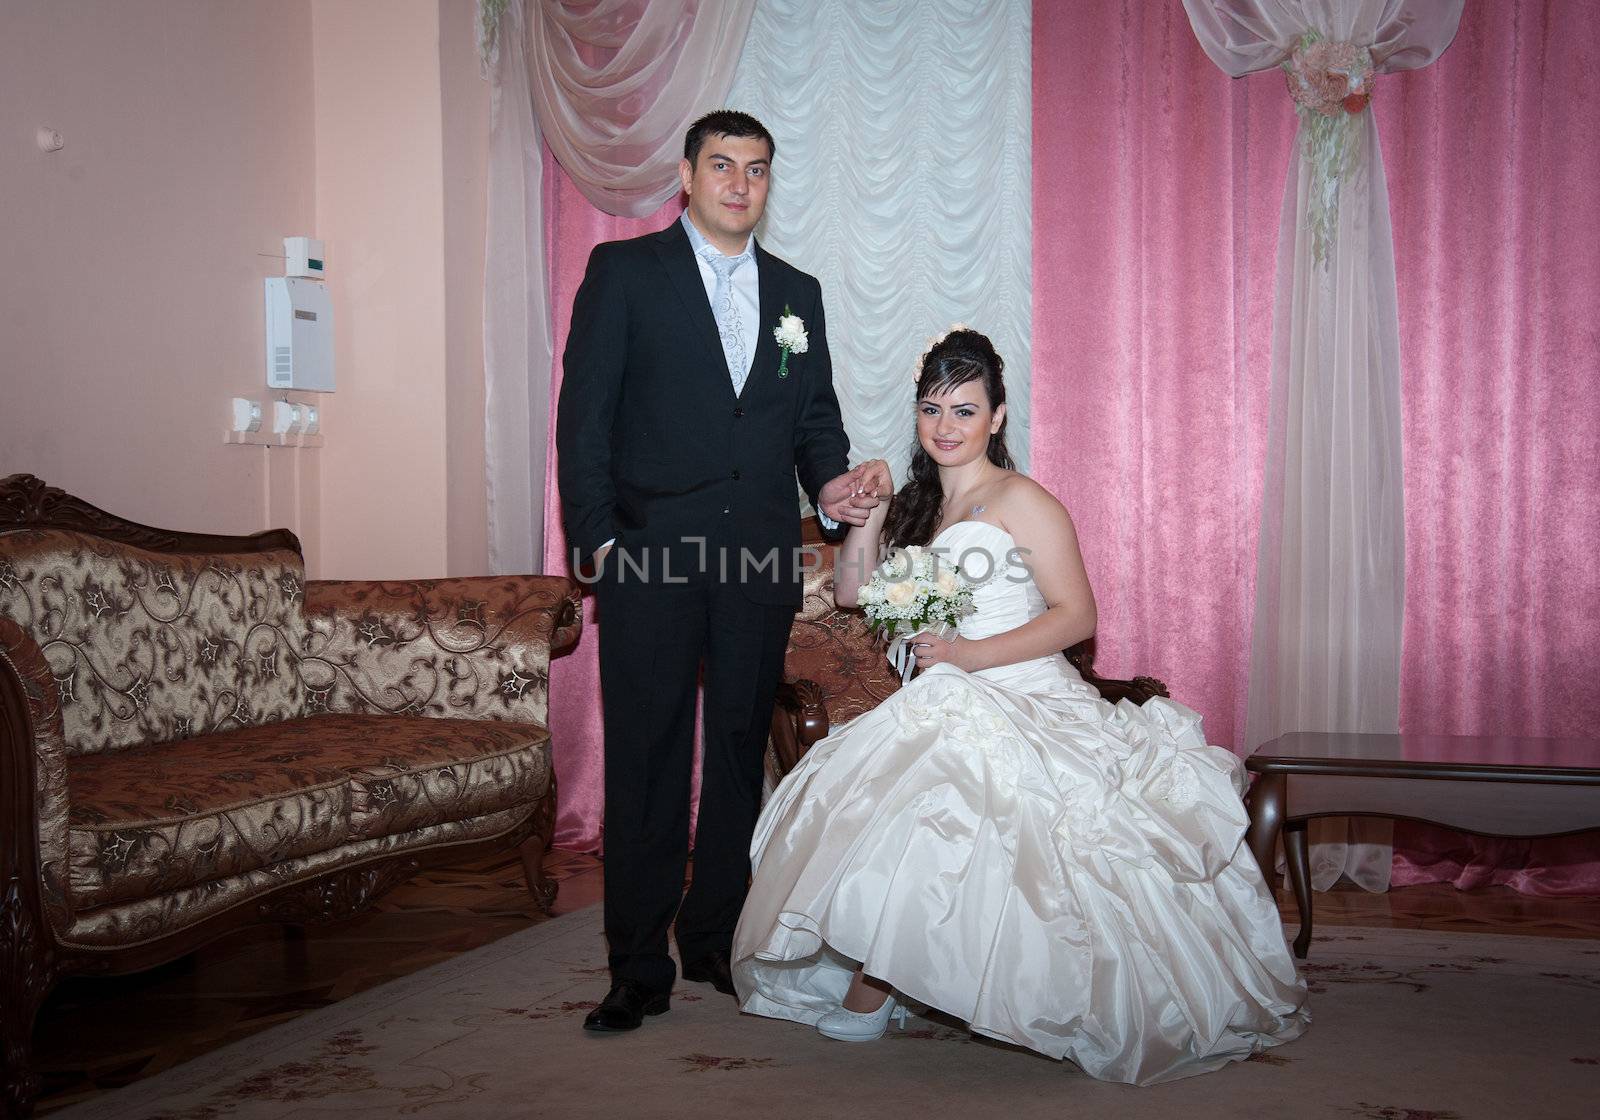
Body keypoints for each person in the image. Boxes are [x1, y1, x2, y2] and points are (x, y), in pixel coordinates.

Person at [731, 328, 1309, 1084]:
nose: (946, 426)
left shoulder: (1022, 500)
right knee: (908, 786)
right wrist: (867, 517)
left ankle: (879, 987)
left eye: (965, 410)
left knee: (957, 784)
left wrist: (968, 657)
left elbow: (1077, 617)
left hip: (1022, 693)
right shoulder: (918, 508)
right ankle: (905, 975)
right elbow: (853, 593)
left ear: (997, 418)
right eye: (932, 408)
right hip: (943, 696)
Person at [556, 110, 890, 1034]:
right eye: (723, 165)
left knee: (742, 755)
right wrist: (600, 545)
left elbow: (813, 418)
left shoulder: (798, 293)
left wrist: (835, 487)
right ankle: (635, 966)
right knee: (649, 761)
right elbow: (585, 419)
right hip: (650, 558)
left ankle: (712, 941)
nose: (741, 183)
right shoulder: (624, 274)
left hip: (756, 562)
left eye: (757, 169)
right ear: (688, 176)